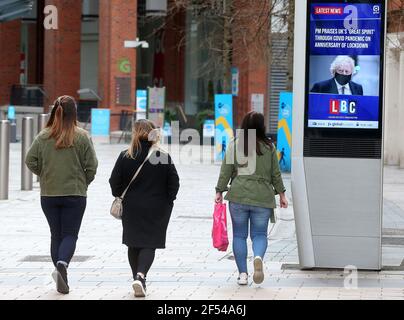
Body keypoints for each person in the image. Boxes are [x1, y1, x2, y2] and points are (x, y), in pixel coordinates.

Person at [25, 95, 98, 294]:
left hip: (49, 194)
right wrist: (84, 182)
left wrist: (45, 174)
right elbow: (92, 165)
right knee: (70, 234)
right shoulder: (81, 135)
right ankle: (62, 265)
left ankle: (59, 269)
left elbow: (29, 160)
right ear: (74, 113)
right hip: (75, 193)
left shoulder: (43, 135)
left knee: (55, 234)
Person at [215, 111, 288, 286]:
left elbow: (226, 170)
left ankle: (243, 275)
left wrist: (219, 190)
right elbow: (275, 174)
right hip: (262, 196)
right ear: (262, 126)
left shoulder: (235, 144)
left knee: (239, 235)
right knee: (259, 234)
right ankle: (257, 257)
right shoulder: (269, 147)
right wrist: (282, 194)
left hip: (239, 195)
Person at [109, 119, 180, 297]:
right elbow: (174, 183)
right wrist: (168, 201)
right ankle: (140, 277)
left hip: (131, 207)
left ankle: (137, 278)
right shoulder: (162, 156)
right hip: (157, 207)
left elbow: (114, 182)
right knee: (149, 243)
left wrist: (120, 196)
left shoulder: (126, 155)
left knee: (133, 243)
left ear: (135, 132)